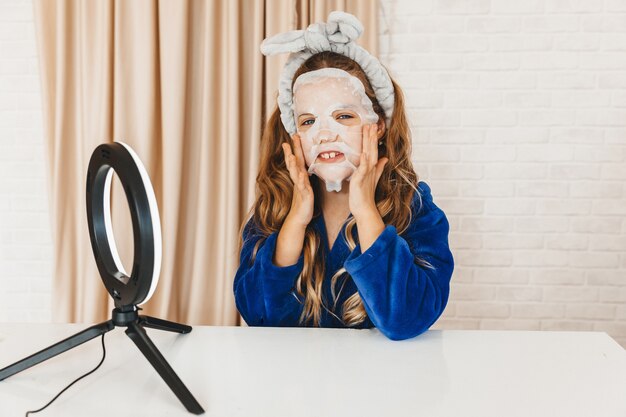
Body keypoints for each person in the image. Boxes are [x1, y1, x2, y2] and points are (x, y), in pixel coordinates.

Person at [233, 12, 454, 340]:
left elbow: (406, 319)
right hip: (293, 388)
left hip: (382, 385)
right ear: (296, 135)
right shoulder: (276, 208)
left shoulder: (415, 207)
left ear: (378, 126)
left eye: (344, 116)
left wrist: (365, 211)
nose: (324, 134)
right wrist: (295, 220)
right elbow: (259, 319)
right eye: (308, 121)